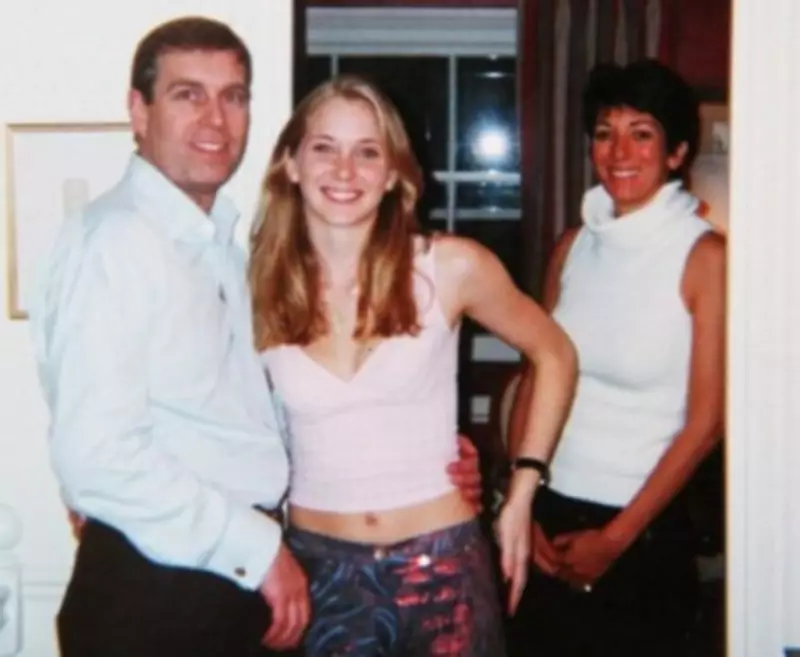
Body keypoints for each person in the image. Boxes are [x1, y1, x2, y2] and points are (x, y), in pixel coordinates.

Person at [30, 17, 482, 657]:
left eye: (233, 96)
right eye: (188, 94)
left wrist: (420, 453)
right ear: (139, 110)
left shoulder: (227, 250)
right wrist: (258, 548)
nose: (215, 119)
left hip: (232, 582)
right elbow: (98, 456)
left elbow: (252, 418)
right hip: (160, 590)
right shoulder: (115, 242)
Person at [249, 74, 577, 657]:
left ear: (393, 174)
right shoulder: (255, 286)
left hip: (444, 569)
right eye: (324, 148)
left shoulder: (449, 267)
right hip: (319, 577)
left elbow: (555, 353)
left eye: (367, 152)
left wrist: (521, 490)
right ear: (291, 165)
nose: (345, 170)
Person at [506, 59, 726, 657]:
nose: (619, 151)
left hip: (642, 529)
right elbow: (535, 377)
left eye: (642, 133)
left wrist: (616, 539)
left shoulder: (705, 258)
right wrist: (520, 502)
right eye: (605, 133)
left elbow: (707, 423)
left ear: (677, 152)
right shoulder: (572, 246)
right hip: (547, 513)